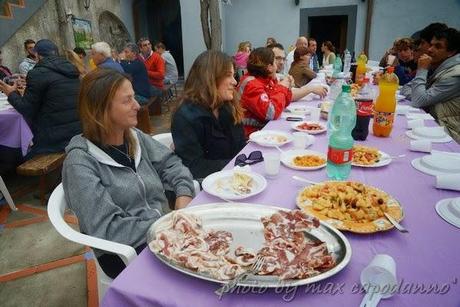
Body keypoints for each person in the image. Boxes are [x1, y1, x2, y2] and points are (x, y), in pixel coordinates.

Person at [62, 68, 194, 278]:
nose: (138, 106)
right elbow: (108, 229)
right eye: (127, 101)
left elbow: (171, 163)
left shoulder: (134, 137)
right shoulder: (80, 163)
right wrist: (168, 224)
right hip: (124, 252)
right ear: (101, 109)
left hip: (163, 232)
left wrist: (184, 193)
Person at [0, 39, 81, 157]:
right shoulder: (71, 70)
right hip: (77, 132)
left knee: (14, 154)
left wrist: (11, 93)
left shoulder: (37, 73)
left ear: (37, 55)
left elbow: (26, 109)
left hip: (53, 139)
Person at [171, 50, 246, 179]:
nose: (235, 82)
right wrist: (237, 165)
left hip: (237, 179)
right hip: (207, 188)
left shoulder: (227, 107)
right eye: (228, 75)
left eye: (234, 75)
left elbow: (240, 147)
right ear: (209, 78)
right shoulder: (185, 116)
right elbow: (195, 167)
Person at [406, 27, 460, 142]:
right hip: (435, 126)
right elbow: (406, 88)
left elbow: (418, 101)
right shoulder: (441, 67)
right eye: (431, 45)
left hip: (450, 134)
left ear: (451, 52)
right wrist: (418, 94)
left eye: (438, 46)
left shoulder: (455, 75)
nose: (430, 50)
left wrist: (421, 70)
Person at [239, 47, 295, 136]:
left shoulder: (267, 79)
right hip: (250, 135)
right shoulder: (251, 84)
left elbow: (283, 104)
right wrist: (282, 87)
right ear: (269, 68)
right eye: (275, 62)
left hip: (263, 129)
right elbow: (271, 113)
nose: (277, 66)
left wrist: (288, 87)